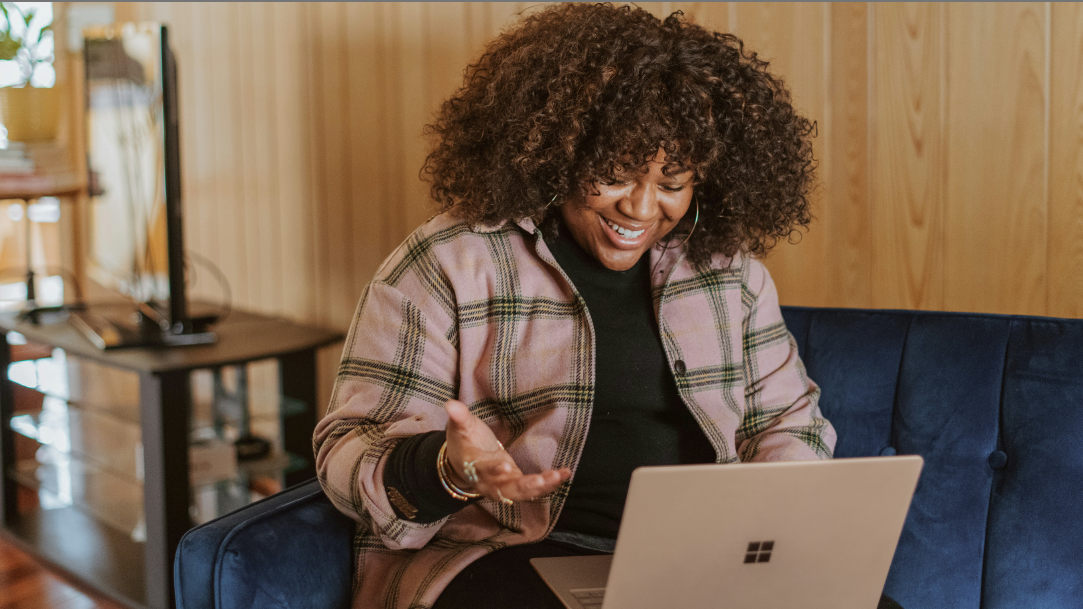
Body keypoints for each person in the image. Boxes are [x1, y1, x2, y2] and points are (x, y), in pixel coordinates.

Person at [315, 4, 900, 608]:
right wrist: (444, 469)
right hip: (508, 552)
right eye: (616, 174)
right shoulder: (449, 262)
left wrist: (770, 529)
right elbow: (348, 449)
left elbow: (787, 422)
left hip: (697, 559)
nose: (642, 210)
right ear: (558, 152)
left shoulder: (730, 273)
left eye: (672, 183)